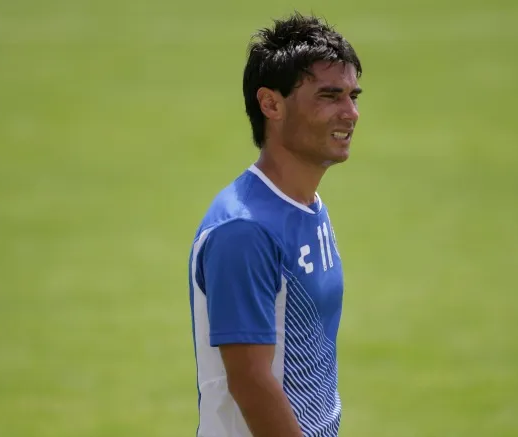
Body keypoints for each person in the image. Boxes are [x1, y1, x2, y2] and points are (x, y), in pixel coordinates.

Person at [187, 12, 363, 437]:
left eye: (353, 96)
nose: (351, 113)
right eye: (329, 96)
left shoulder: (307, 205)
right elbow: (251, 383)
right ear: (271, 104)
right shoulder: (244, 231)